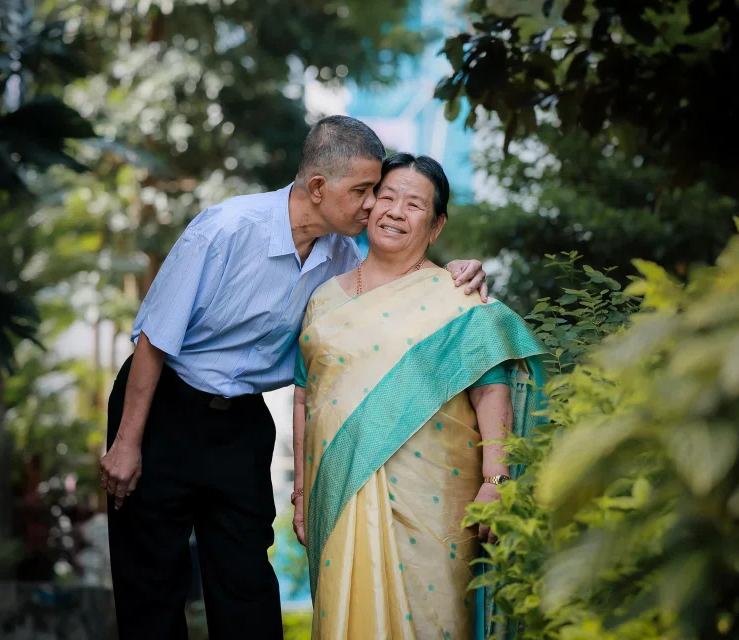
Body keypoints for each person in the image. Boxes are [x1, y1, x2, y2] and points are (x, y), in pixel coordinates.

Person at [99, 116, 489, 639]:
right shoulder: (226, 229)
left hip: (240, 422)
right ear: (319, 187)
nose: (374, 205)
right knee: (152, 582)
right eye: (365, 191)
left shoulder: (343, 256)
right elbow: (154, 339)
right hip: (163, 403)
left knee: (246, 586)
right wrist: (128, 443)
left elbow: (405, 289)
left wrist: (460, 271)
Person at [291, 153, 548, 639]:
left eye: (413, 204)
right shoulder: (323, 299)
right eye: (386, 197)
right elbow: (307, 396)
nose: (394, 211)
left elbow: (492, 392)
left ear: (436, 224)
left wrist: (496, 479)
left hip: (433, 508)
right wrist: (303, 495)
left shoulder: (458, 297)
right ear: (368, 207)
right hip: (338, 498)